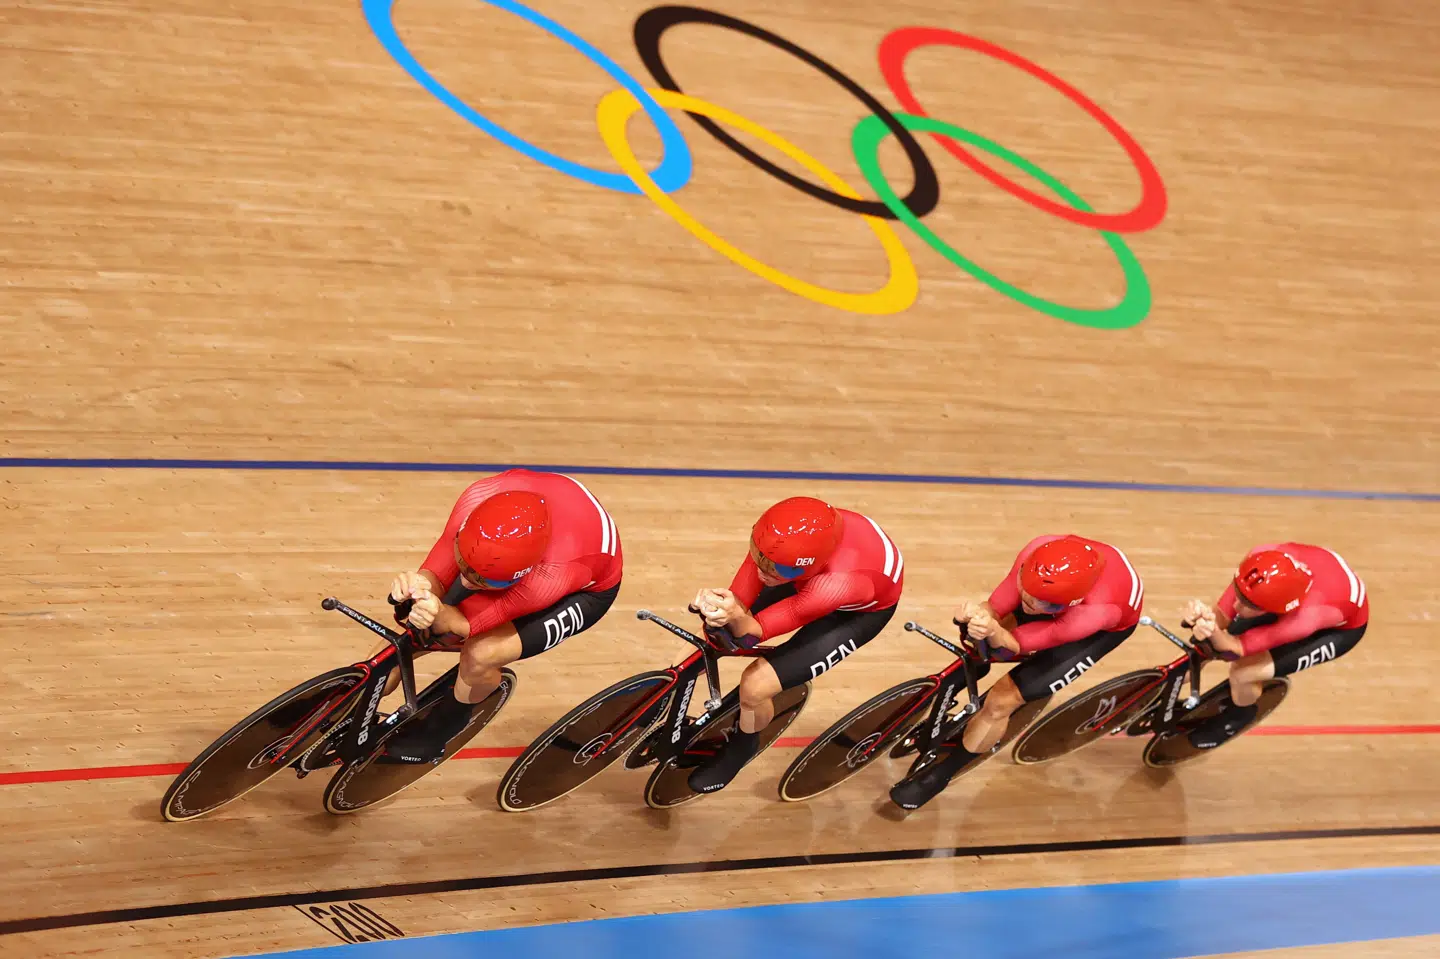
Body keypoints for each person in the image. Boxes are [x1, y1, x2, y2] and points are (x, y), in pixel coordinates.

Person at [378, 468, 623, 762]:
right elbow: (436, 575)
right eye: (464, 566)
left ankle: (443, 728)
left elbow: (464, 624)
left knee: (480, 653)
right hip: (534, 535)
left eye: (484, 581)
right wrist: (417, 587)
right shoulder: (477, 498)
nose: (467, 583)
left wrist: (436, 611)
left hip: (586, 587)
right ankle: (348, 702)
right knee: (403, 640)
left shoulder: (548, 578)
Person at [891, 534, 1144, 810]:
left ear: (1070, 602)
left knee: (1002, 700)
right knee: (984, 639)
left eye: (1045, 605)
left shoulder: (1094, 613)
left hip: (1100, 630)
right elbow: (995, 608)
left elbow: (1019, 644)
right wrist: (977, 618)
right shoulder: (1037, 554)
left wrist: (996, 632)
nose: (1031, 606)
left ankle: (942, 774)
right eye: (1027, 593)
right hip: (1060, 593)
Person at [688, 496, 905, 793]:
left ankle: (742, 745)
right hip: (811, 570)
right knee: (707, 634)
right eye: (759, 556)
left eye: (777, 569)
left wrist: (734, 618)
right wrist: (719, 611)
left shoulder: (832, 586)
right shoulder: (778, 543)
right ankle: (659, 697)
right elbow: (739, 602)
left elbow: (753, 632)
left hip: (857, 611)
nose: (764, 572)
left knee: (755, 685)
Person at [1179, 544, 1368, 748]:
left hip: (1340, 629)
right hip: (1316, 588)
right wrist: (1202, 618)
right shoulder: (1259, 559)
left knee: (1244, 672)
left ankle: (1239, 715)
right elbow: (1222, 616)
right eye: (1239, 595)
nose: (1237, 606)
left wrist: (1211, 631)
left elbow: (1234, 649)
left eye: (1248, 604)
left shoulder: (1305, 618)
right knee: (1205, 645)